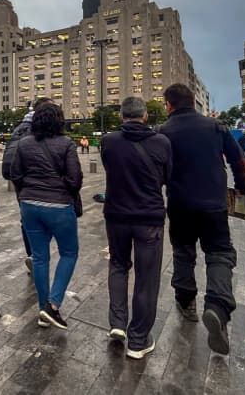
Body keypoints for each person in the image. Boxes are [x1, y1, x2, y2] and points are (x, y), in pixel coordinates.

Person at [158, 84, 245, 355]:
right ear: (192, 101)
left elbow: (156, 169)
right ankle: (217, 305)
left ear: (169, 105)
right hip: (214, 204)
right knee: (219, 253)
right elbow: (238, 161)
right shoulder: (216, 126)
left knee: (183, 252)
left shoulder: (162, 131)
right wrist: (241, 188)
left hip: (180, 204)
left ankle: (186, 301)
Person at [100, 97, 172, 359]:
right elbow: (168, 177)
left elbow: (110, 169)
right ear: (145, 116)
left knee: (118, 265)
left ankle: (118, 323)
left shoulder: (109, 141)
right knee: (146, 277)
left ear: (121, 116)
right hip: (149, 217)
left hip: (116, 215)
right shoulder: (162, 142)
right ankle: (139, 340)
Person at [10, 103, 82, 330]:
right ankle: (53, 304)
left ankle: (44, 310)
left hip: (29, 206)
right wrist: (60, 186)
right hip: (59, 206)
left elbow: (15, 174)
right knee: (69, 253)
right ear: (59, 120)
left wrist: (26, 193)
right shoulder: (66, 143)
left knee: (40, 258)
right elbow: (75, 180)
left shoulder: (23, 143)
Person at [2, 97, 54, 274]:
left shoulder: (19, 128)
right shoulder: (42, 128)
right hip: (38, 182)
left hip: (21, 184)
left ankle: (32, 254)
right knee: (47, 218)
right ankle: (38, 257)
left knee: (27, 219)